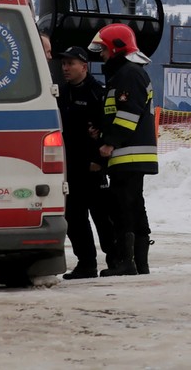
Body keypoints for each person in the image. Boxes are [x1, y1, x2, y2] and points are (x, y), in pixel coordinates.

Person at [88, 24, 158, 277]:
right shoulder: (125, 73)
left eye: (104, 50)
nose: (101, 55)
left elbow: (129, 114)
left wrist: (110, 142)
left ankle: (128, 263)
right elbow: (115, 112)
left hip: (130, 152)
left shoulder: (128, 73)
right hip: (129, 152)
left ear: (116, 48)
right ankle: (138, 263)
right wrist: (102, 132)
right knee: (133, 204)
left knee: (124, 206)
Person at [56, 46, 116, 280]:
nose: (66, 68)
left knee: (102, 216)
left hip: (92, 166)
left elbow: (107, 130)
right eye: (63, 64)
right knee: (74, 216)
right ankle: (86, 262)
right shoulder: (61, 93)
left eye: (70, 64)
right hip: (70, 167)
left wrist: (100, 162)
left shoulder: (97, 93)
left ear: (84, 66)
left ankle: (115, 259)